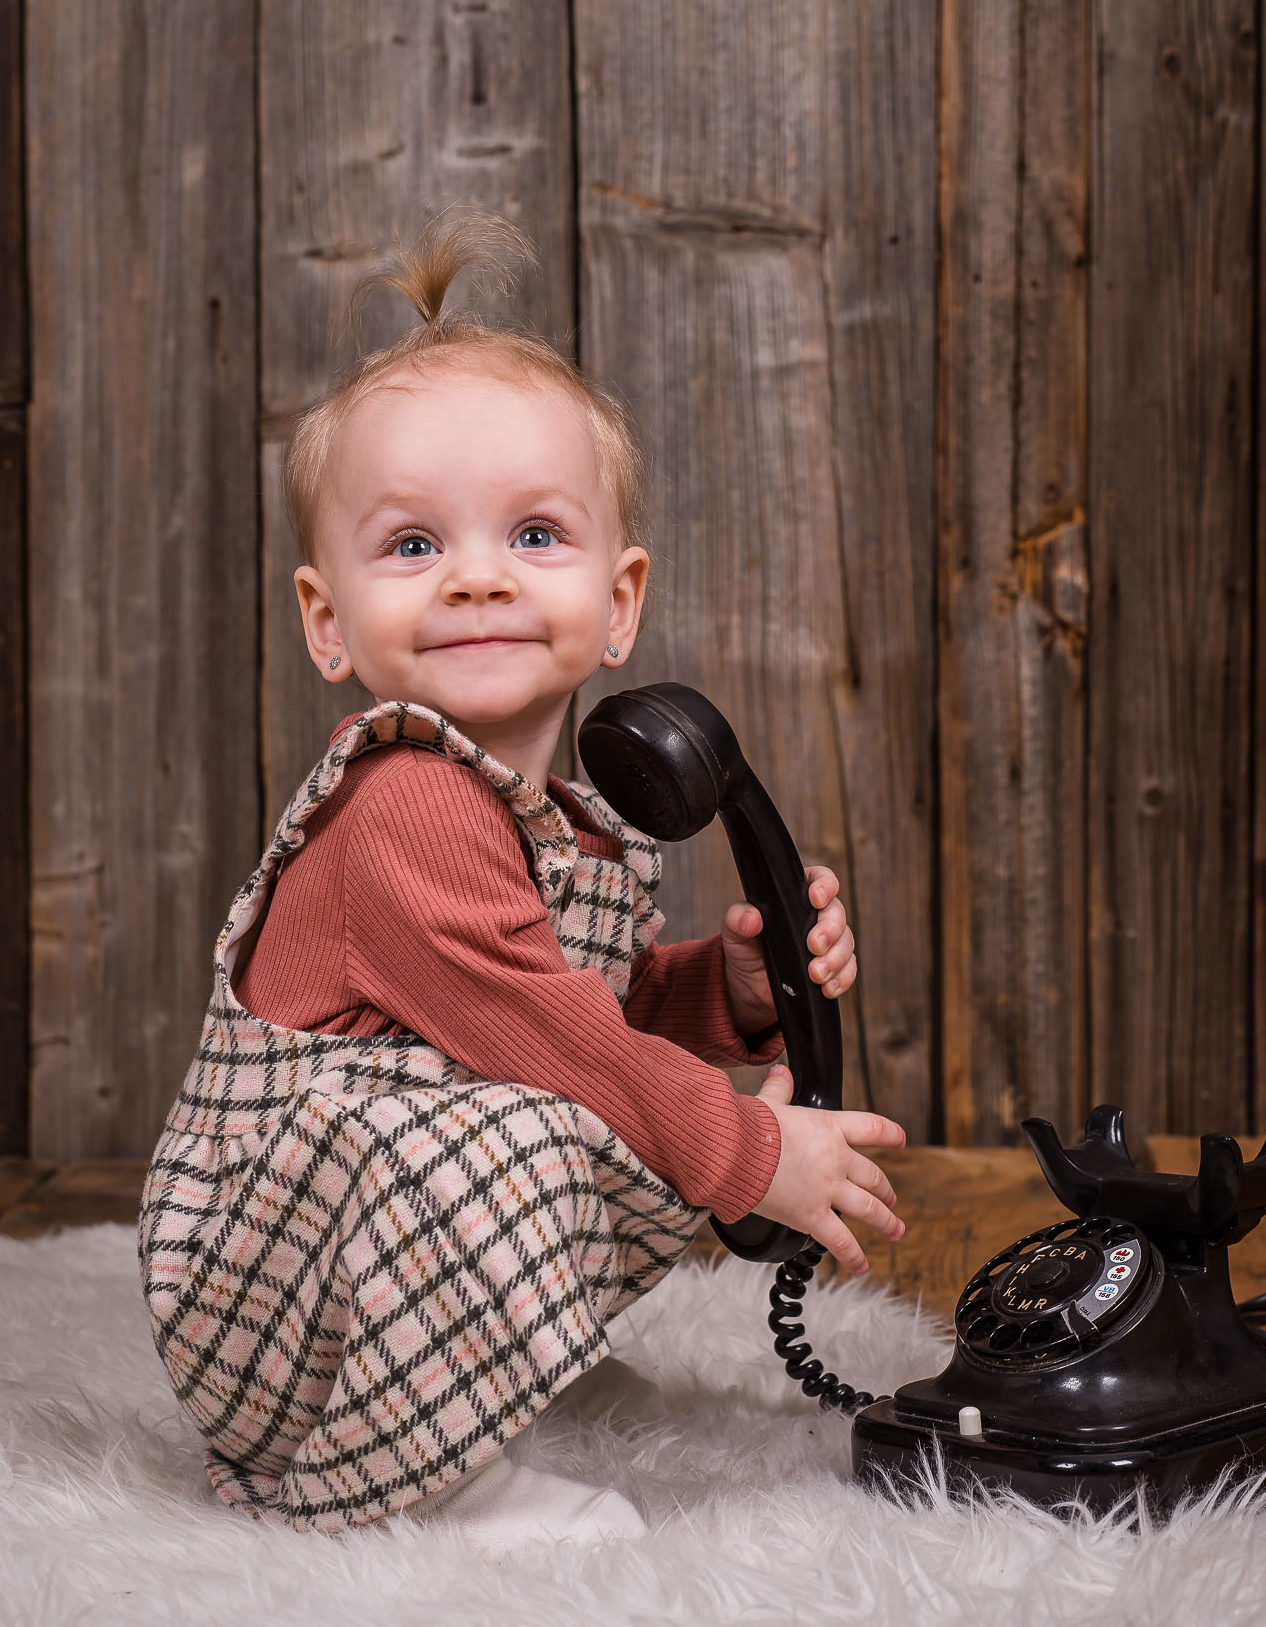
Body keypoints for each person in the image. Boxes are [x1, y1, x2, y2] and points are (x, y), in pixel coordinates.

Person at [138, 207, 905, 1551]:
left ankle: (484, 1375)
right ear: (328, 621)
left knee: (590, 1104)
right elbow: (548, 1034)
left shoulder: (554, 820)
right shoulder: (405, 804)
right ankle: (416, 1484)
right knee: (557, 1123)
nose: (480, 579)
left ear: (621, 602)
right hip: (258, 1297)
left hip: (350, 1252)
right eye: (414, 545)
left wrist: (726, 991)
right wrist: (750, 1150)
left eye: (535, 536)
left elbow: (576, 1000)